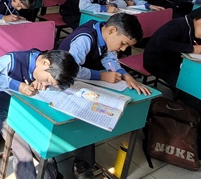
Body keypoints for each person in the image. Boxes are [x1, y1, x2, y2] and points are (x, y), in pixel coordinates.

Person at [59, 13, 150, 178]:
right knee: (87, 113)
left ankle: (84, 161)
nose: (123, 49)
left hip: (84, 81)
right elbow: (71, 69)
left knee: (97, 107)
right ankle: (83, 164)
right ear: (112, 30)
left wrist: (126, 75)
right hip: (61, 80)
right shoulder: (85, 38)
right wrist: (101, 75)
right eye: (123, 43)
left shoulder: (104, 33)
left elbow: (110, 59)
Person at [143, 12, 201, 159]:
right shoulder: (177, 25)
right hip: (160, 63)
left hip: (178, 62)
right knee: (192, 91)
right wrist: (191, 48)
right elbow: (162, 42)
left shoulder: (194, 27)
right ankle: (198, 134)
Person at [0, 50, 78, 179]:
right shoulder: (13, 60)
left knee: (42, 147)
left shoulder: (42, 68)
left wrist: (41, 84)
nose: (45, 85)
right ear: (44, 63)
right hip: (2, 109)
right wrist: (18, 86)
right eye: (47, 80)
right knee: (23, 152)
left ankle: (53, 176)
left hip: (26, 111)